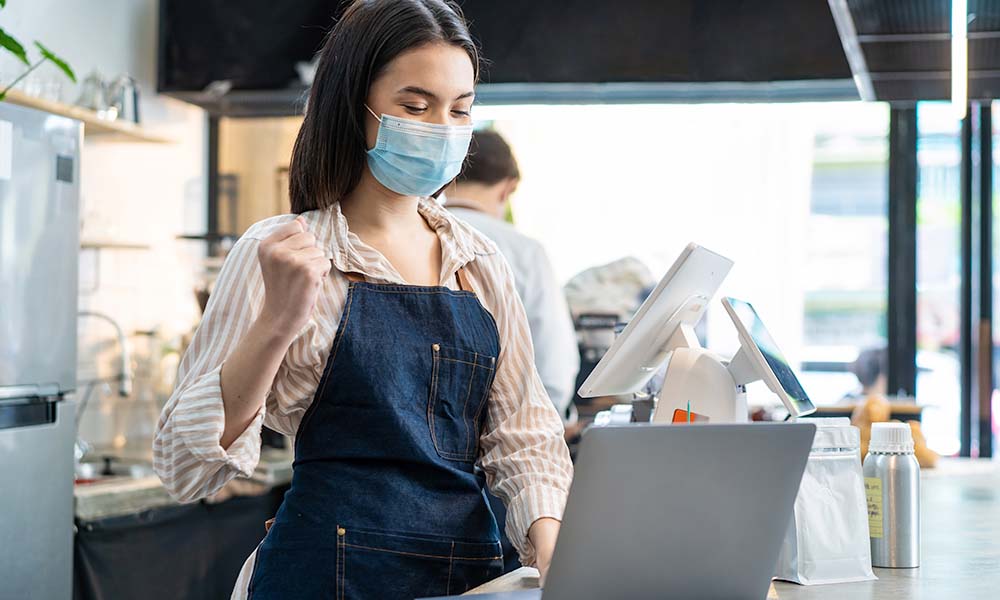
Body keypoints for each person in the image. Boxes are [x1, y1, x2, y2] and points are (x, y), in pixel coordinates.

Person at [152, 2, 572, 598]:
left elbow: (523, 434)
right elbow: (182, 466)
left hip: (470, 580)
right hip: (322, 576)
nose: (442, 128)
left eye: (460, 109)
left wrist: (555, 558)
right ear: (355, 107)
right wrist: (275, 322)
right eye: (414, 106)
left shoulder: (480, 264)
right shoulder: (281, 250)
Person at [444, 130, 580, 420]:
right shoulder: (524, 251)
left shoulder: (409, 235)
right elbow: (554, 365)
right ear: (508, 188)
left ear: (449, 175)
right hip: (508, 428)